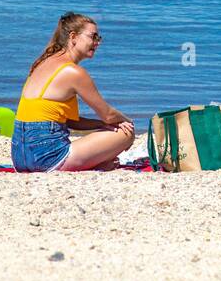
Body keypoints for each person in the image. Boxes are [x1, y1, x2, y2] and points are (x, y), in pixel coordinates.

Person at [12, 13, 135, 172]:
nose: (97, 42)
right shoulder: (73, 72)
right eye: (93, 36)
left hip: (19, 158)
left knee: (116, 128)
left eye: (98, 38)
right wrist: (128, 123)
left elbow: (70, 122)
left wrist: (102, 124)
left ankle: (96, 164)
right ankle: (95, 165)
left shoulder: (43, 63)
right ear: (73, 37)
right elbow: (109, 114)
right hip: (48, 157)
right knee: (125, 134)